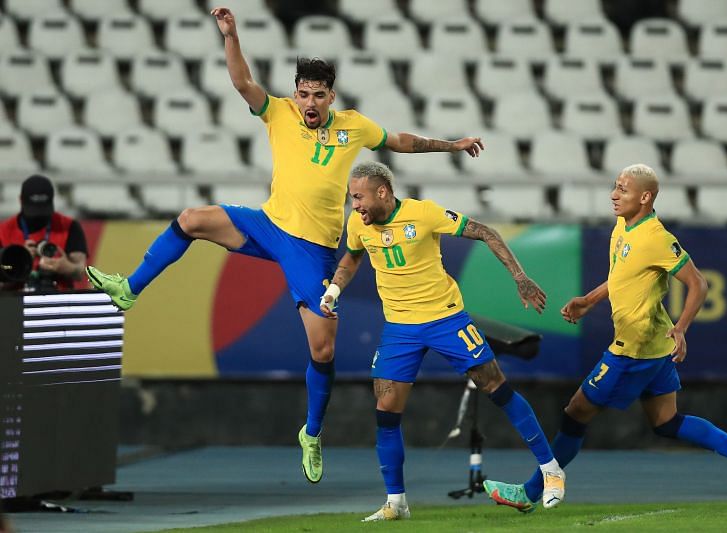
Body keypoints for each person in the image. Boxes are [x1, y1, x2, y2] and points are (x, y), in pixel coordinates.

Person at [85, 6, 485, 485]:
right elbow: (241, 82)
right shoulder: (279, 112)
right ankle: (129, 288)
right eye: (303, 93)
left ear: (330, 96)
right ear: (295, 93)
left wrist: (451, 145)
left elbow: (400, 140)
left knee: (322, 347)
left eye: (317, 95)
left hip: (311, 248)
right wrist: (231, 36)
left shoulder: (353, 125)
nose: (309, 102)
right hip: (268, 224)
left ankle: (311, 432)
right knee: (191, 219)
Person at [486, 164, 727, 510]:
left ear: (645, 197)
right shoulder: (623, 226)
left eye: (622, 189)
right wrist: (590, 301)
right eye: (615, 187)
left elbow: (699, 283)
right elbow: (622, 276)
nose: (613, 194)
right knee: (666, 422)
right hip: (654, 346)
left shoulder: (656, 237)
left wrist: (682, 328)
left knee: (575, 412)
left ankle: (532, 491)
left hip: (633, 351)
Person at [319, 162, 565, 521]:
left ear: (382, 192)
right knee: (386, 411)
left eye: (358, 197)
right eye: (351, 198)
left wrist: (520, 277)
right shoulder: (358, 224)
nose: (353, 205)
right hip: (400, 328)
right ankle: (396, 502)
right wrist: (335, 289)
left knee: (495, 385)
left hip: (445, 318)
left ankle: (551, 470)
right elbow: (352, 257)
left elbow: (486, 232)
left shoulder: (425, 214)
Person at [0, 174, 87, 291]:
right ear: (20, 200)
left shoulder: (68, 226)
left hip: (58, 298)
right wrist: (18, 262)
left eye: (42, 210)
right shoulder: (3, 231)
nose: (38, 216)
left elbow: (81, 271)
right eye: (34, 210)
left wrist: (66, 267)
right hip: (15, 302)